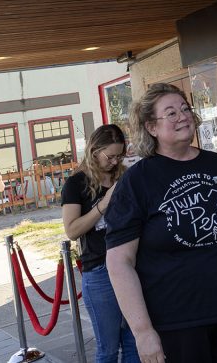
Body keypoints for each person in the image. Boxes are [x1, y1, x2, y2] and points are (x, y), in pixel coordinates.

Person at [105, 83, 217, 363]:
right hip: (177, 324)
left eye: (185, 108)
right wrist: (142, 332)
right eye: (171, 113)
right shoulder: (137, 181)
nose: (182, 116)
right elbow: (119, 262)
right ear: (151, 127)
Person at [62, 124, 140, 363]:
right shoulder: (76, 183)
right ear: (95, 151)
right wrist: (103, 205)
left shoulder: (124, 176)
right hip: (99, 269)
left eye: (120, 156)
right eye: (110, 156)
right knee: (108, 348)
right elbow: (72, 230)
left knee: (134, 343)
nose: (115, 161)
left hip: (132, 265)